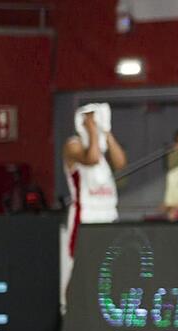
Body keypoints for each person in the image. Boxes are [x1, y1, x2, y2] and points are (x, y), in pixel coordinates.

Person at [61, 109, 127, 313]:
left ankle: (100, 310)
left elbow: (121, 164)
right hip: (85, 216)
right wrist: (90, 127)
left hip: (107, 215)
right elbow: (91, 158)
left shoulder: (102, 151)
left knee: (107, 267)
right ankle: (69, 309)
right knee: (78, 264)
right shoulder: (73, 145)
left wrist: (106, 131)